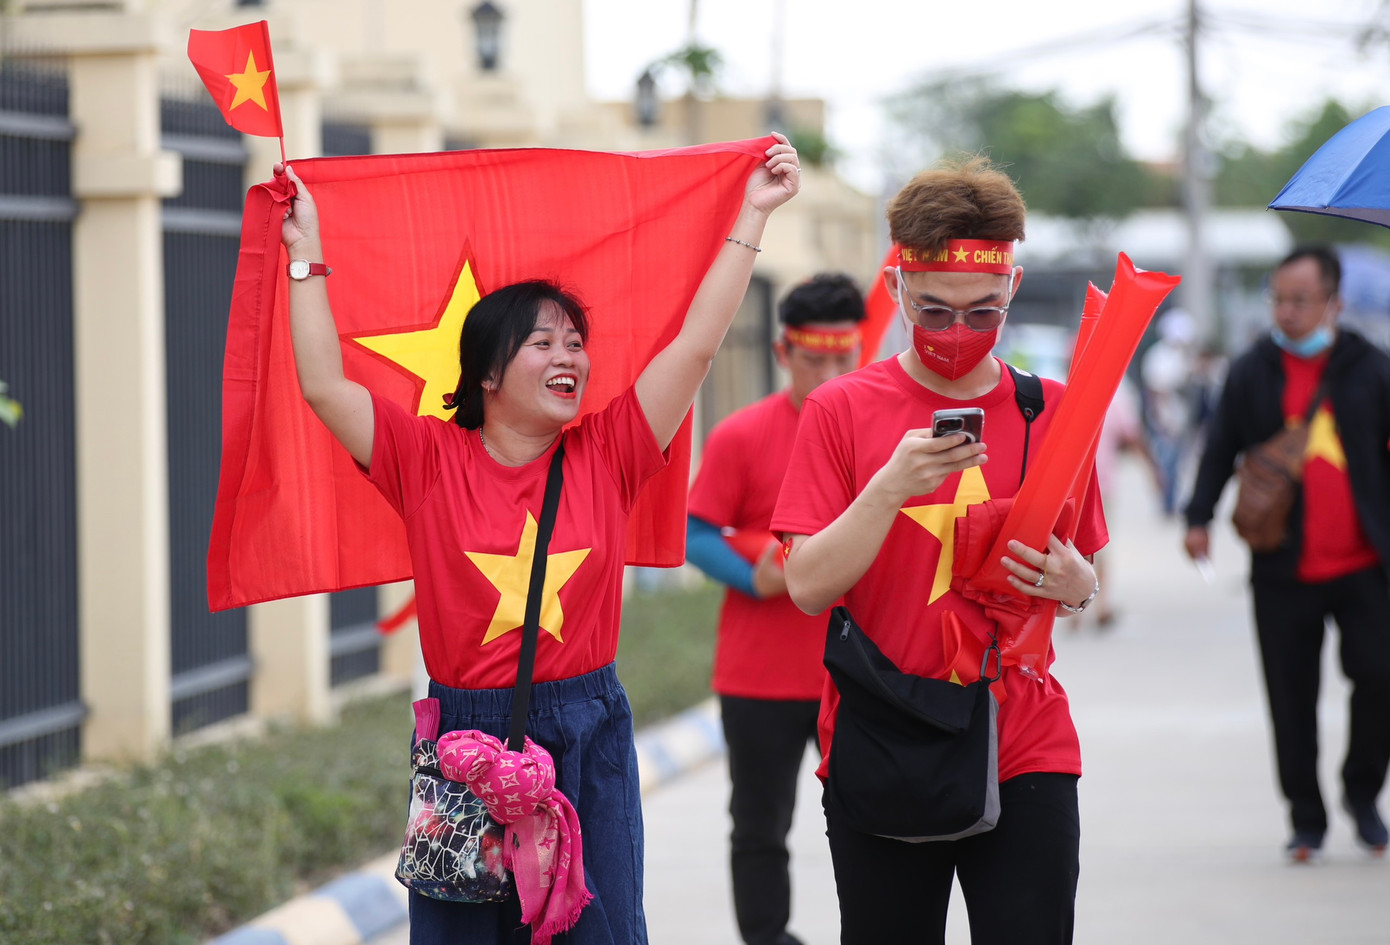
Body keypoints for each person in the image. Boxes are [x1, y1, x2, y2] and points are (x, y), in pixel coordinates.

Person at [276, 134, 800, 944]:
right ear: (487, 372)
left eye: (577, 342)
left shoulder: (612, 450)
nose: (572, 357)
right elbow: (322, 384)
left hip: (589, 732)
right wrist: (305, 252)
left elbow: (695, 346)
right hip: (464, 747)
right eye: (544, 342)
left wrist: (752, 217)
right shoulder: (425, 457)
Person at [771, 156, 1107, 945]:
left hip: (1022, 731)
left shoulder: (1051, 410)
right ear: (895, 294)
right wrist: (889, 486)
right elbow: (809, 588)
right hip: (888, 733)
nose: (958, 333)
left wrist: (1076, 581)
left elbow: (1085, 569)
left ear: (1012, 291)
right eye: (934, 312)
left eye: (983, 313)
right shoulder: (840, 409)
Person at [1182, 246, 1390, 862]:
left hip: (1365, 567)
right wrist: (1198, 515)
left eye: (1301, 300)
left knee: (1380, 680)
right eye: (1279, 299)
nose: (1287, 311)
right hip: (1282, 569)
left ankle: (1361, 793)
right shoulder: (1251, 369)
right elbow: (1220, 445)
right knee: (1290, 696)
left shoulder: (1370, 366)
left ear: (1334, 302)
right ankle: (1306, 819)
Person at [685, 274, 866, 945]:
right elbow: (694, 533)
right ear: (784, 351)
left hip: (854, 670)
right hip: (758, 675)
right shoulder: (740, 435)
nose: (829, 372)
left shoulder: (884, 436)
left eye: (843, 357)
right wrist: (752, 570)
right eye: (814, 357)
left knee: (871, 821)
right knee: (759, 826)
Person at [1140, 307, 1198, 516]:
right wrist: (1160, 420)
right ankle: (1167, 503)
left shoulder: (1184, 356)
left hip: (1181, 419)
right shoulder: (1159, 356)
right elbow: (1155, 392)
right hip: (1165, 419)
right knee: (1167, 462)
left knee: (1179, 463)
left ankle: (1172, 501)